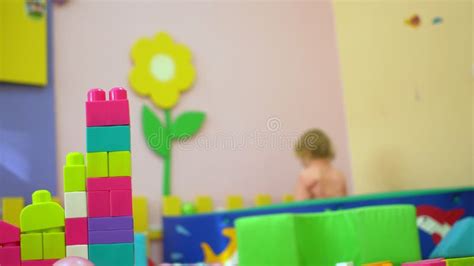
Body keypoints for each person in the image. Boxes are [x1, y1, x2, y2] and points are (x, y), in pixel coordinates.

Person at [294, 129, 347, 200]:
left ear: (306, 152)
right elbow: (344, 204)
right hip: (336, 210)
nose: (301, 162)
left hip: (315, 211)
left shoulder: (305, 176)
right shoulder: (339, 175)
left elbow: (300, 206)